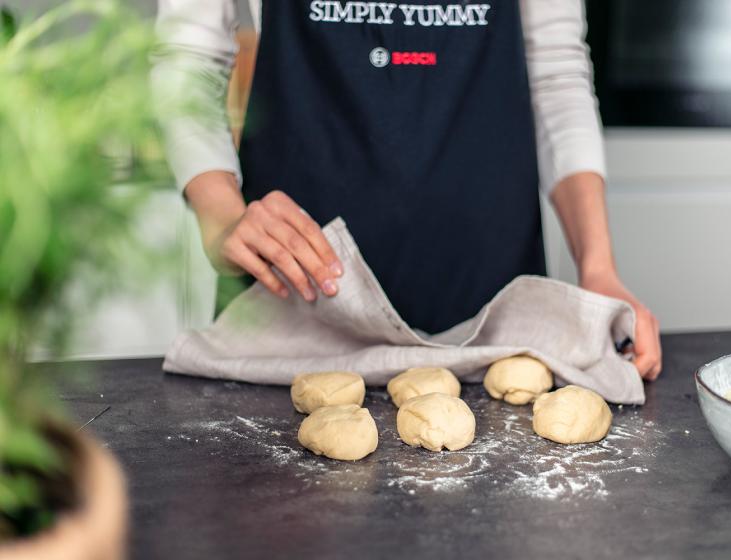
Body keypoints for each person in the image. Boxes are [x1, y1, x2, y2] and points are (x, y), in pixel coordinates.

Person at [152, 0, 662, 380]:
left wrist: (598, 267)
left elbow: (555, 74)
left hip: (490, 311)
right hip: (296, 298)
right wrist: (221, 215)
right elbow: (188, 59)